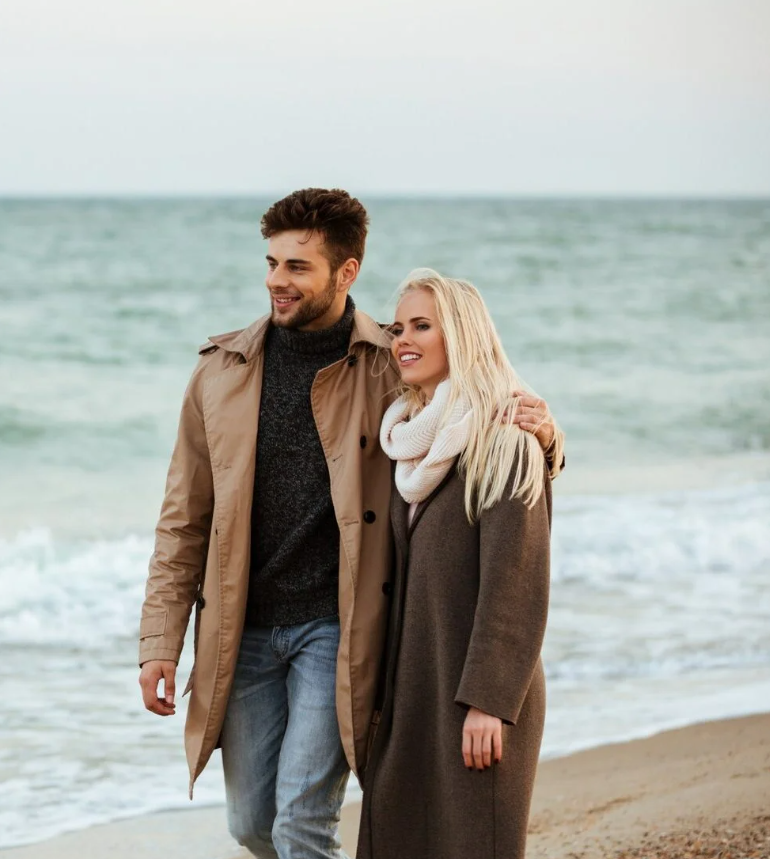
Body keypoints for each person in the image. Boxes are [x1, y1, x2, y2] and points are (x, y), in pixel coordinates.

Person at [137, 189, 562, 859]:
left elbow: (474, 408)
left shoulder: (386, 364)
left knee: (301, 822)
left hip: (334, 632)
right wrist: (160, 639)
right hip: (239, 632)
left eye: (298, 266)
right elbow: (182, 522)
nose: (278, 279)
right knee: (251, 824)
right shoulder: (219, 374)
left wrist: (546, 439)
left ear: (347, 271)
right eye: (272, 262)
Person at [358, 270, 561, 859]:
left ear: (463, 336)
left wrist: (489, 703)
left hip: (479, 697)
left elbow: (515, 586)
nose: (403, 340)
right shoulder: (410, 444)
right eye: (398, 328)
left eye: (422, 325)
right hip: (414, 687)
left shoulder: (508, 438)